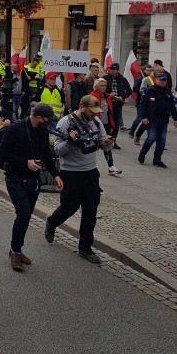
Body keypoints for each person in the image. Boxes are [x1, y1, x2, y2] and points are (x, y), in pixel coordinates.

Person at [44, 95, 113, 264]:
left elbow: (104, 146)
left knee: (91, 211)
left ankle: (85, 247)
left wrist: (108, 142)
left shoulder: (95, 122)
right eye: (92, 111)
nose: (95, 114)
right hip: (71, 172)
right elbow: (57, 150)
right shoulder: (65, 123)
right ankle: (52, 222)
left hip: (90, 172)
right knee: (69, 207)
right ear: (82, 107)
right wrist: (69, 141)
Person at [0, 104, 62, 271]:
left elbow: (47, 155)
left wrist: (55, 175)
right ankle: (14, 251)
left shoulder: (42, 131)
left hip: (33, 181)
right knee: (23, 215)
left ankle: (17, 249)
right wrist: (25, 162)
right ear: (38, 117)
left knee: (26, 216)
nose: (48, 123)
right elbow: (4, 153)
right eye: (47, 119)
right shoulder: (15, 130)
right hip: (15, 179)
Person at [137, 73, 177, 168]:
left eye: (164, 80)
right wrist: (144, 117)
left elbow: (172, 106)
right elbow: (143, 105)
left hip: (164, 120)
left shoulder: (168, 92)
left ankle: (157, 159)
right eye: (160, 80)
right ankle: (142, 154)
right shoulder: (150, 90)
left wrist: (176, 119)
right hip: (152, 119)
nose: (162, 82)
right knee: (151, 138)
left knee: (161, 141)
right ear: (156, 80)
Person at [91, 78, 122, 175]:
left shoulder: (107, 96)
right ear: (96, 86)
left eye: (105, 85)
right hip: (94, 125)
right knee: (92, 146)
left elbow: (110, 111)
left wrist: (111, 124)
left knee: (108, 145)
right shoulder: (91, 97)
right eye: (102, 85)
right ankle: (87, 165)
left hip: (105, 124)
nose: (104, 87)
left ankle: (111, 166)